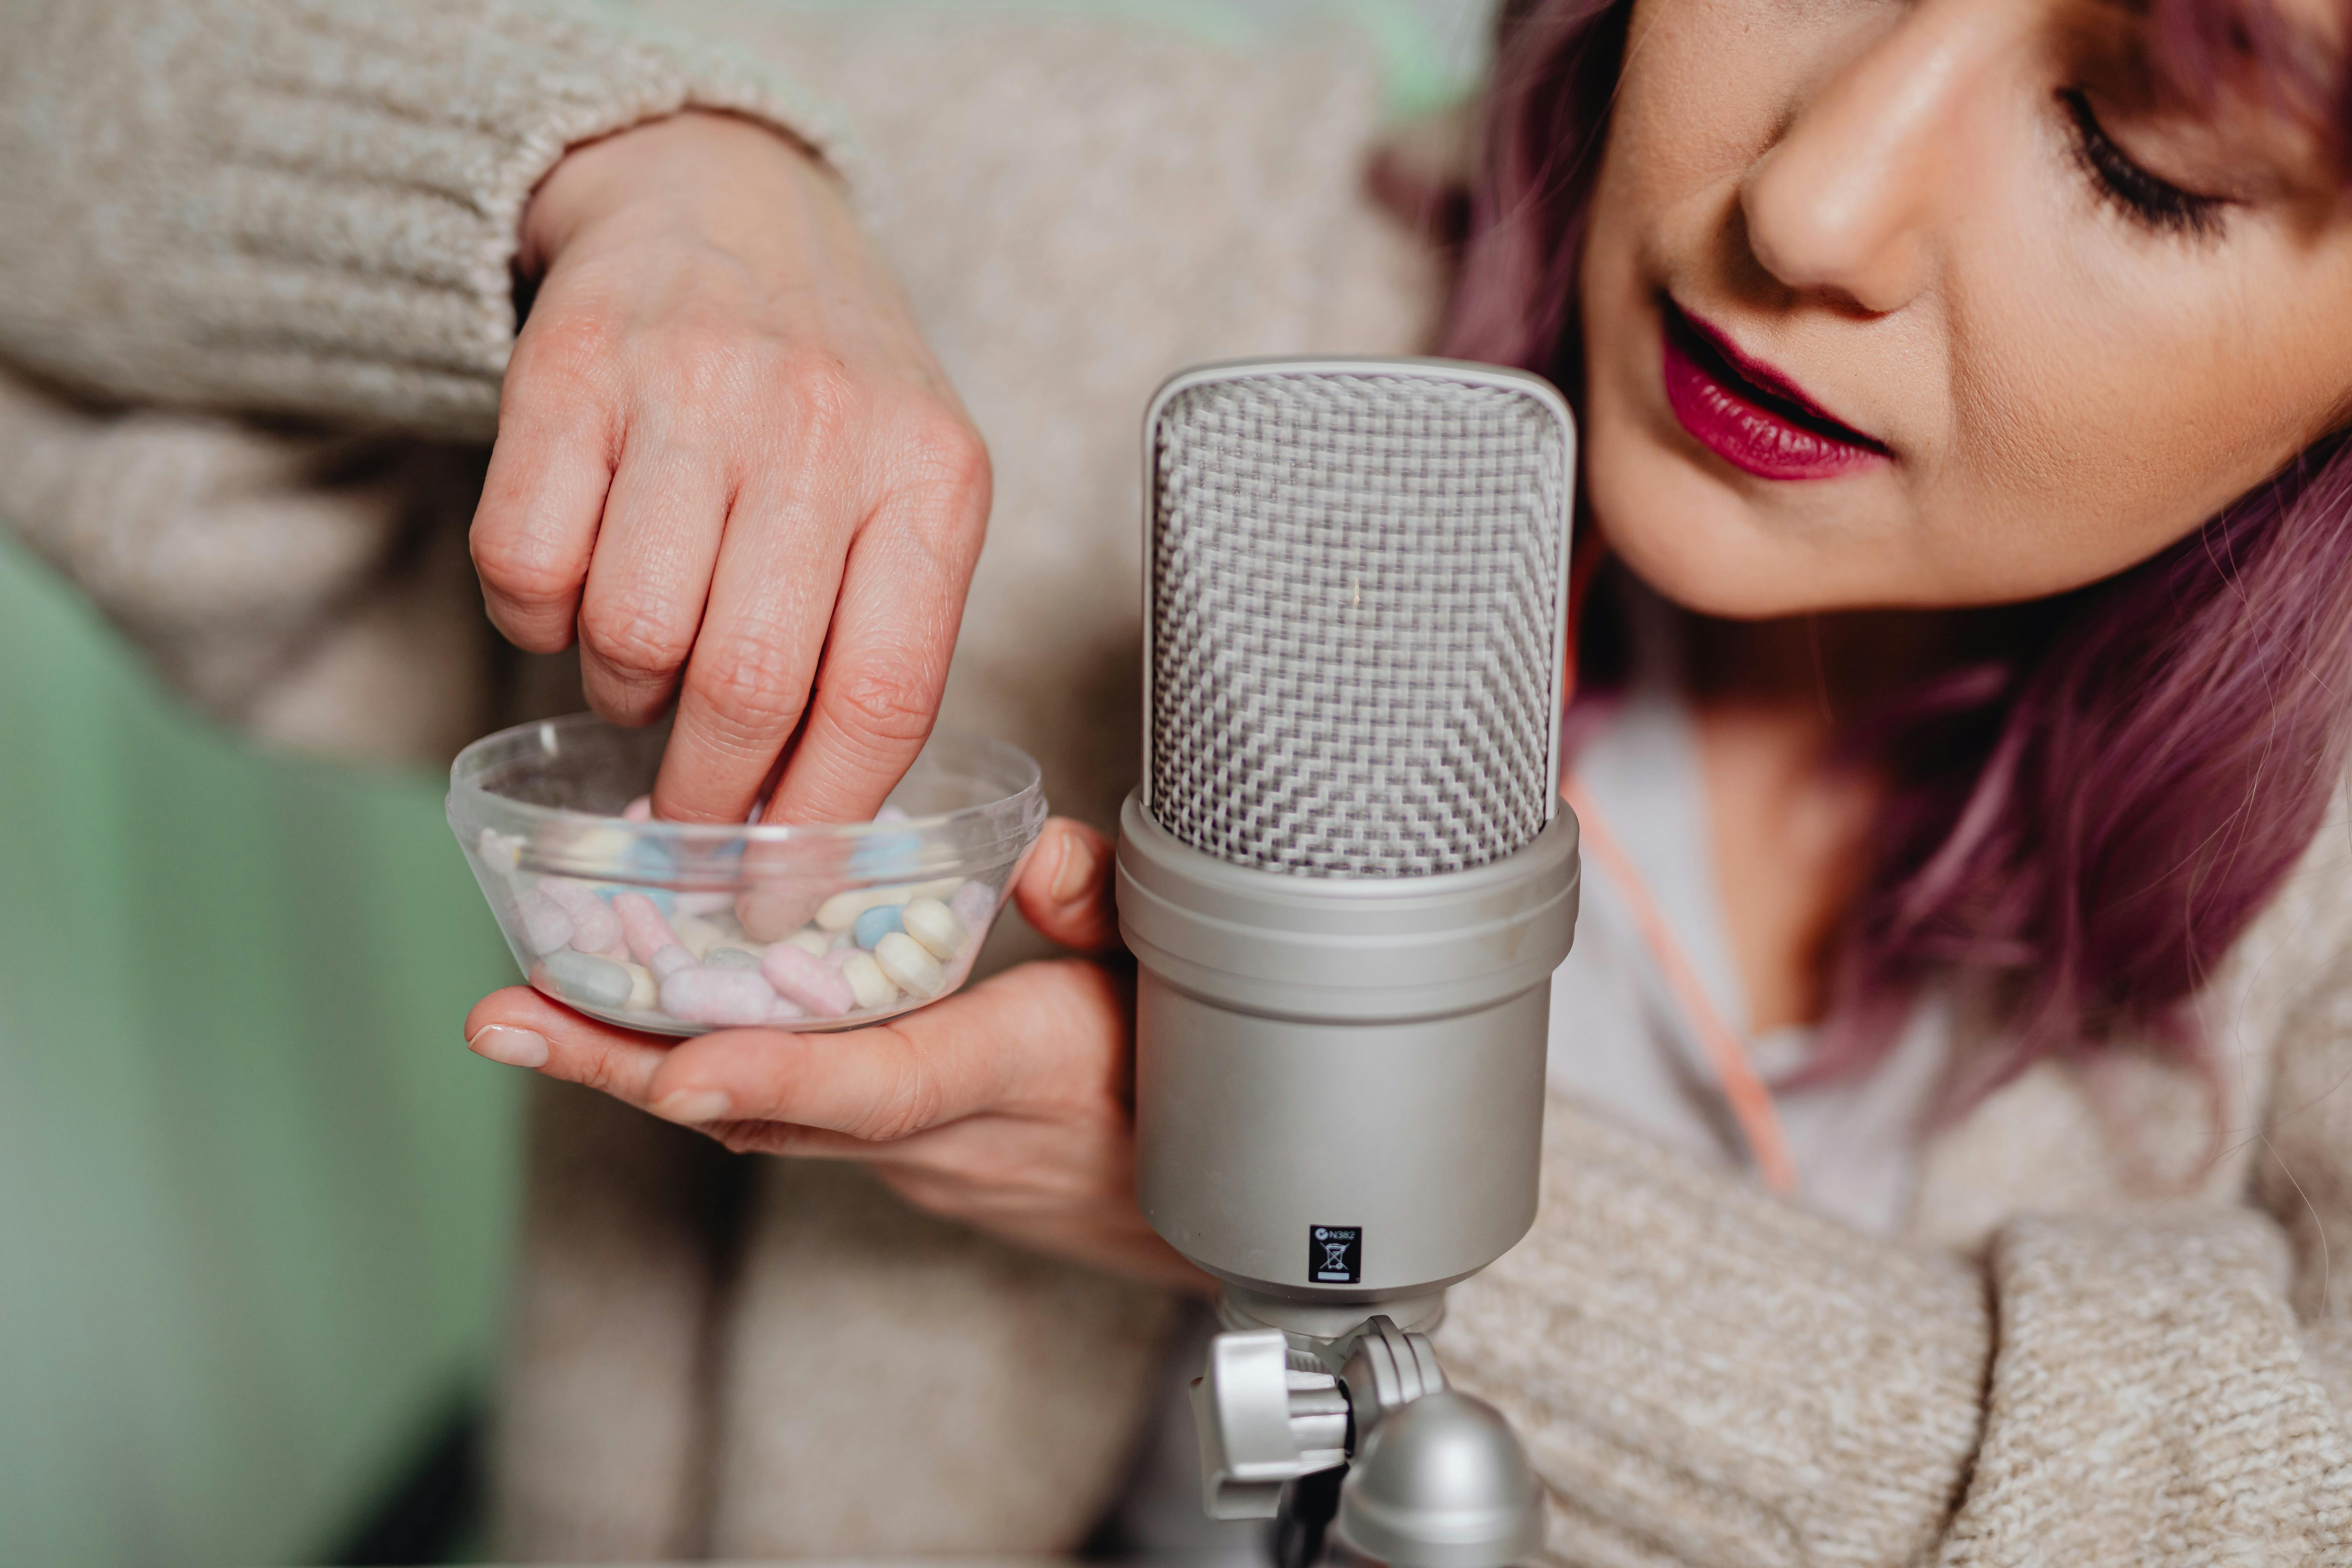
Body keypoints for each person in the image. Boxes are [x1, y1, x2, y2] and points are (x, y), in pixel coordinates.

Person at [6, 0, 2347, 1563]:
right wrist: (633, 183)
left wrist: (1260, 1191)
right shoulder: (1128, 251)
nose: (1814, 209)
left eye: (2139, 157)